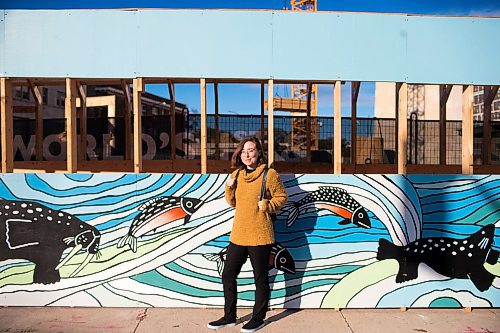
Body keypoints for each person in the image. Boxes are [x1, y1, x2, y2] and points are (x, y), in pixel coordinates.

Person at [207, 136, 288, 333]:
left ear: (259, 152)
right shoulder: (237, 174)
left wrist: (269, 204)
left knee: (260, 278)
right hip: (239, 234)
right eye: (243, 151)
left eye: (250, 150)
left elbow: (282, 197)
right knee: (228, 275)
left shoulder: (269, 174)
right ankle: (229, 317)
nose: (247, 154)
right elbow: (233, 202)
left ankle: (258, 318)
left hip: (260, 235)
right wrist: (229, 186)